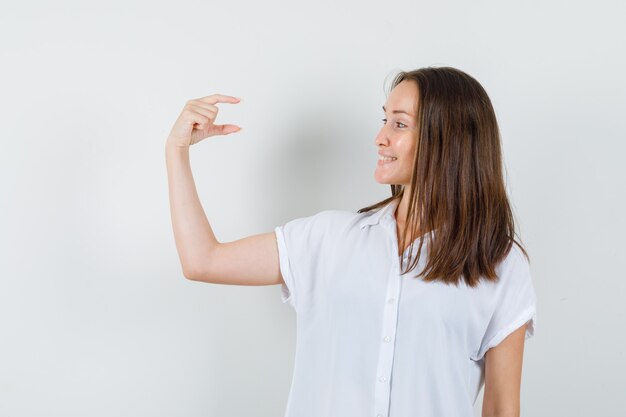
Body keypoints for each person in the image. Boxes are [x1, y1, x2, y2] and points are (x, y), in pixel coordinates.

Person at [165, 66, 538, 417]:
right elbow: (203, 260)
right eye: (384, 120)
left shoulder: (499, 264)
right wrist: (176, 151)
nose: (381, 137)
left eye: (399, 124)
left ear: (450, 139)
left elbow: (502, 409)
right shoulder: (327, 239)